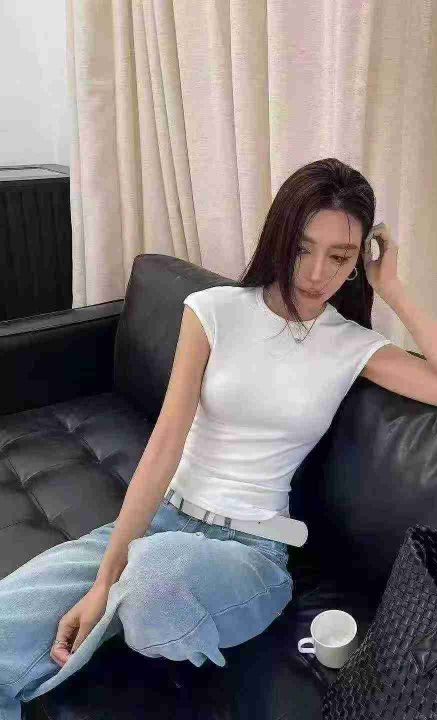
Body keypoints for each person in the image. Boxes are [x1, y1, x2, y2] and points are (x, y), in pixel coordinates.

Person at [0, 158, 393, 720]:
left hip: (251, 550)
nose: (315, 273)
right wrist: (103, 580)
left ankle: (135, 604)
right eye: (302, 248)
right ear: (279, 238)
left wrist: (391, 285)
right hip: (164, 520)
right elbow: (164, 446)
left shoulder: (351, 344)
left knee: (154, 580)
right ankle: (122, 603)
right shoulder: (213, 311)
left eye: (340, 256)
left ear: (358, 262)